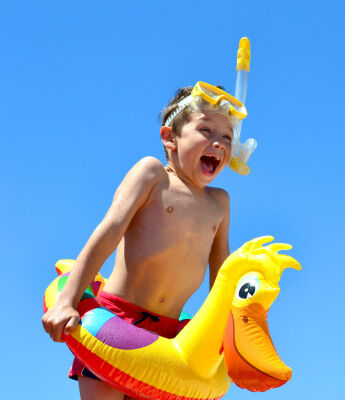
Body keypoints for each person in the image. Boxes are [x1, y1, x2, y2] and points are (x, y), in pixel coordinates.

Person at [42, 83, 244, 399]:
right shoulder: (152, 175)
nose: (218, 143)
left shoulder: (220, 203)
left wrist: (228, 338)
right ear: (170, 138)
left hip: (171, 337)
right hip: (114, 320)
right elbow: (108, 231)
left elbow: (222, 281)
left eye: (227, 137)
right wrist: (68, 299)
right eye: (206, 130)